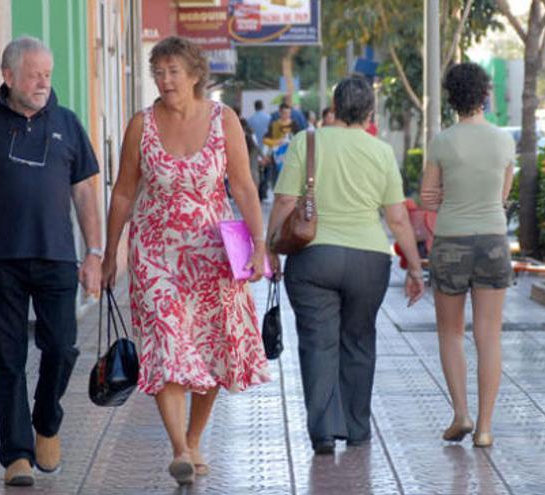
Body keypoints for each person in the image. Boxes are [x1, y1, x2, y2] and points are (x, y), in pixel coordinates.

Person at [101, 36, 269, 485]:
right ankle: (178, 447)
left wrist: (260, 244)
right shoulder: (143, 124)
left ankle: (194, 440)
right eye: (158, 71)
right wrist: (109, 251)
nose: (165, 79)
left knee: (212, 348)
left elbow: (244, 186)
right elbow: (123, 191)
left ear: (196, 74)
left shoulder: (223, 120)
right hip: (155, 253)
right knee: (165, 344)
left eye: (173, 71)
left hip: (213, 254)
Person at [0, 37, 102, 486]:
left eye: (47, 75)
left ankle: (46, 422)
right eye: (34, 74)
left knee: (61, 347)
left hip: (56, 257)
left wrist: (94, 252)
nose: (42, 83)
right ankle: (16, 453)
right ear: (8, 75)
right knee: (8, 357)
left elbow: (85, 191)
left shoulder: (67, 124)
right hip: (0, 258)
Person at [266, 77, 426, 455]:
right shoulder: (382, 151)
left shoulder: (308, 142)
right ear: (370, 113)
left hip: (313, 258)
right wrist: (415, 268)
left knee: (317, 343)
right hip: (369, 261)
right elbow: (398, 219)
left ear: (333, 108)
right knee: (358, 341)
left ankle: (322, 431)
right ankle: (356, 428)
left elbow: (287, 201)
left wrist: (270, 246)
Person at [419, 62, 516, 449]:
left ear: (451, 98)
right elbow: (503, 195)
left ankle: (461, 413)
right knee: (489, 335)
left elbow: (428, 196)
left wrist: (448, 198)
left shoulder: (443, 142)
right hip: (493, 240)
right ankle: (486, 428)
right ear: (484, 95)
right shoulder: (503, 140)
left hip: (451, 241)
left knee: (451, 333)